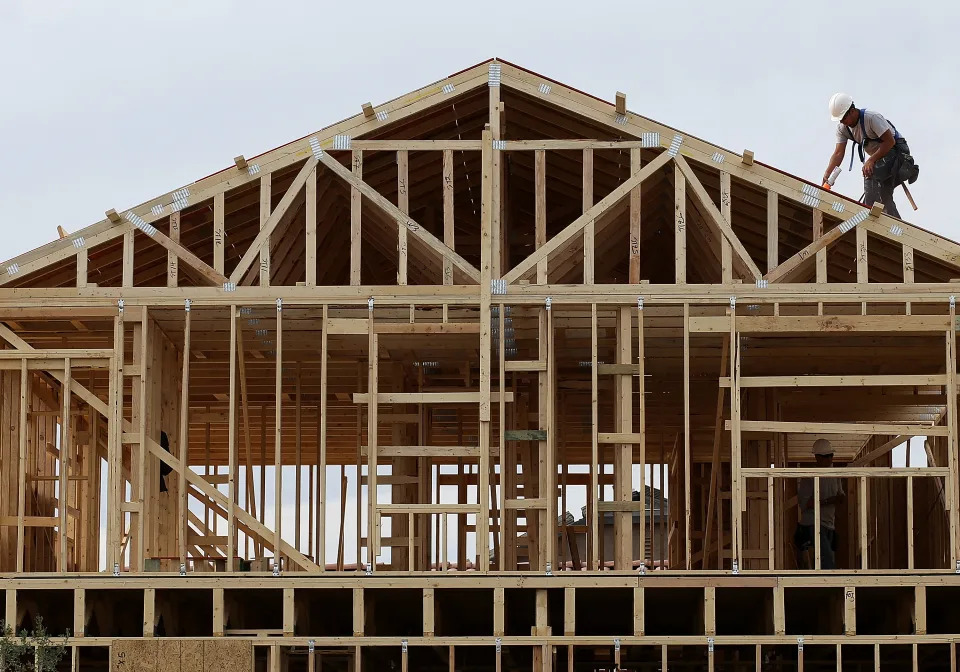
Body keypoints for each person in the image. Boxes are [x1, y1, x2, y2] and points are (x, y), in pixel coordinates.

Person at [822, 92, 919, 219]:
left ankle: (869, 216)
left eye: (844, 118)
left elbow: (890, 142)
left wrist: (871, 160)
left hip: (897, 152)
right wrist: (827, 175)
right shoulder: (842, 128)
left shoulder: (871, 118)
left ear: (852, 110)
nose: (843, 122)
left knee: (870, 172)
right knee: (884, 196)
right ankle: (896, 228)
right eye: (840, 120)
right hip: (881, 159)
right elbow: (838, 153)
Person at [794, 438, 845, 569]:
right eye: (825, 456)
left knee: (827, 559)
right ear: (817, 457)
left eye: (830, 456)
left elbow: (841, 495)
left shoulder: (835, 474)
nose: (829, 459)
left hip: (829, 524)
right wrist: (828, 501)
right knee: (827, 561)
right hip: (813, 524)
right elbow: (805, 504)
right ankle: (831, 587)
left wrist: (839, 498)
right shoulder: (810, 477)